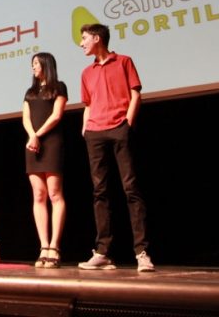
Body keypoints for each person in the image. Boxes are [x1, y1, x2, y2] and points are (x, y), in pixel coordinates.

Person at [77, 23, 155, 272]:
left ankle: (142, 253)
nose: (82, 43)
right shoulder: (86, 72)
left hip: (120, 127)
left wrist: (128, 123)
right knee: (99, 191)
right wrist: (85, 127)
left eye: (85, 38)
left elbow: (135, 94)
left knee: (130, 188)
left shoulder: (123, 61)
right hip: (95, 132)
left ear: (97, 38)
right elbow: (88, 104)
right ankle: (102, 252)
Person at [22, 52, 68, 268]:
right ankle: (43, 246)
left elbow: (57, 115)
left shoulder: (59, 87)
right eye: (32, 64)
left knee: (54, 194)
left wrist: (38, 135)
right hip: (33, 145)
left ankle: (54, 247)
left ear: (46, 65)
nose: (34, 67)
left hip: (50, 143)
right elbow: (25, 117)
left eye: (37, 64)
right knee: (38, 195)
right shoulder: (30, 92)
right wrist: (32, 136)